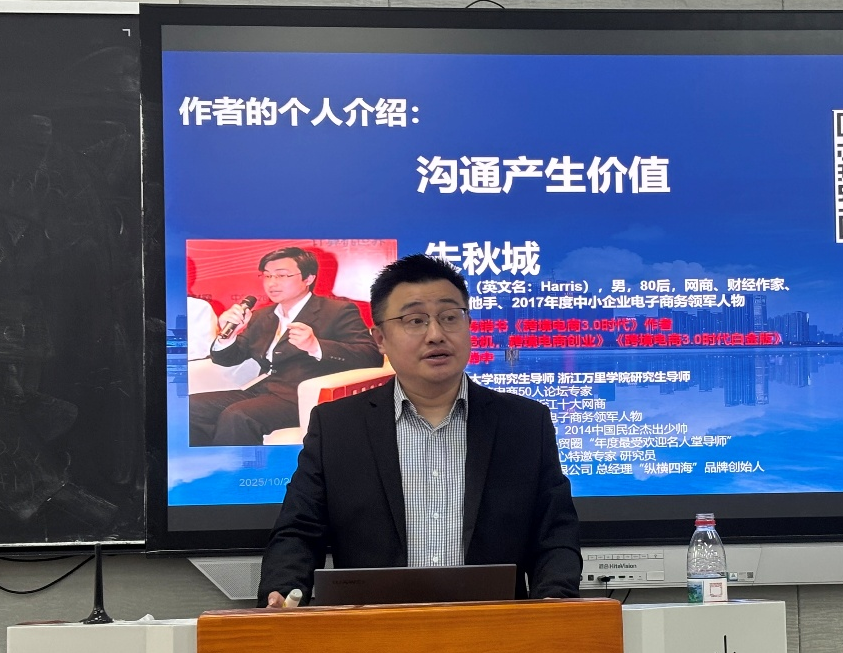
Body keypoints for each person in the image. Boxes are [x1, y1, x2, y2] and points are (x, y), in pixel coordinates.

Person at [258, 253, 582, 604]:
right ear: (380, 339)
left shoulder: (524, 423)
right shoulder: (338, 426)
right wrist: (284, 592)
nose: (436, 334)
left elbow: (554, 535)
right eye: (415, 320)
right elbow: (299, 531)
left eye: (450, 317)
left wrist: (555, 601)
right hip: (377, 629)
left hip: (493, 628)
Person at [188, 246, 380, 446]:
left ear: (308, 279)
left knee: (239, 416)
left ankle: (236, 466)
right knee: (189, 408)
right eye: (267, 276)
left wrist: (316, 346)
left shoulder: (337, 311)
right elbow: (228, 359)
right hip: (261, 391)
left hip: (304, 398)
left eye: (282, 275)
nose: (272, 283)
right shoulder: (262, 316)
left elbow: (371, 356)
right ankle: (203, 462)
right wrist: (228, 335)